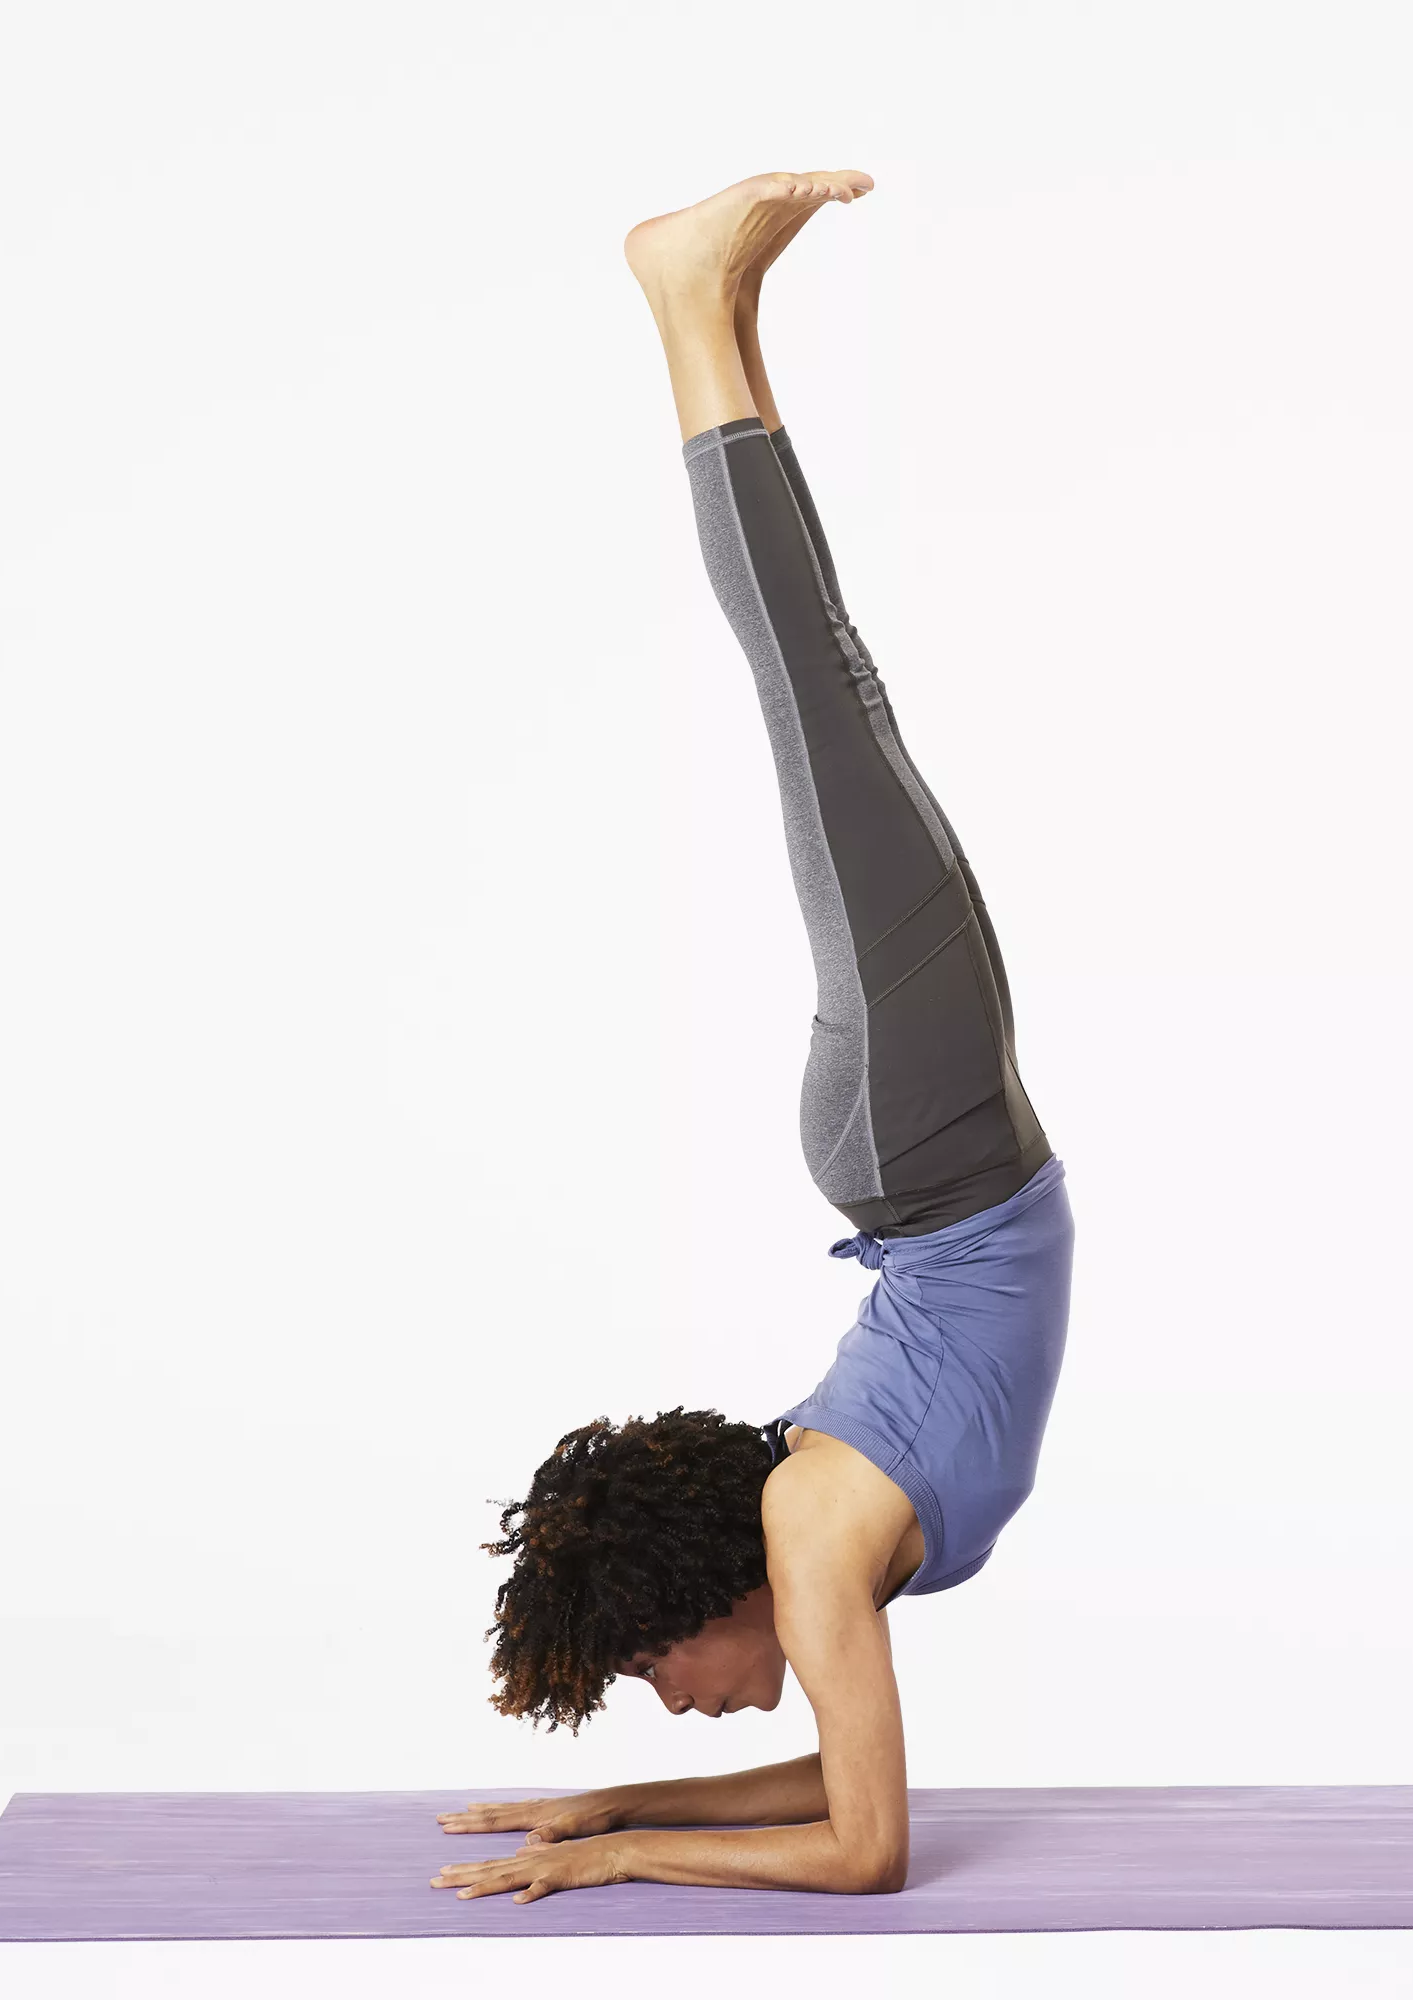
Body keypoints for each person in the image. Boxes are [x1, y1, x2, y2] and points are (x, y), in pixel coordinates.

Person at [430, 170, 1074, 1905]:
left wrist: (619, 1853)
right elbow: (854, 1794)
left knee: (821, 694)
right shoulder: (808, 1541)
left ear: (680, 1608)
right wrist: (595, 1818)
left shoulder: (808, 1530)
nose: (686, 1706)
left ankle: (685, 302)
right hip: (926, 1150)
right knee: (830, 696)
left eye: (654, 1678)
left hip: (928, 1149)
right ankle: (714, 315)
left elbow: (864, 1854)